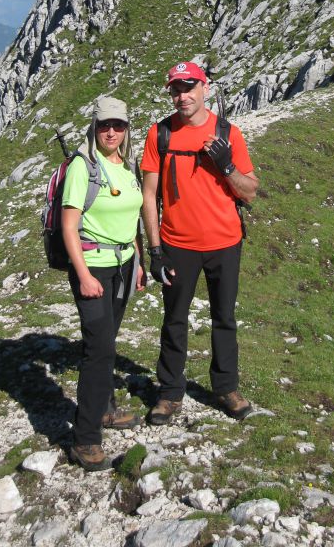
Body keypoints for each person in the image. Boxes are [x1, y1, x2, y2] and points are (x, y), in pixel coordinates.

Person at [141, 61, 259, 425]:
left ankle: (226, 388)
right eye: (176, 89)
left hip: (225, 242)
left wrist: (226, 166)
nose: (183, 96)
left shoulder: (229, 134)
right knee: (174, 319)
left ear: (205, 88)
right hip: (178, 244)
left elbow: (251, 191)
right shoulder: (159, 134)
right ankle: (169, 392)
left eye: (189, 87)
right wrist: (155, 250)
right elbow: (148, 195)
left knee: (224, 317)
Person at [62, 95, 145, 471]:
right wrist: (82, 275)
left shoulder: (126, 168)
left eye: (118, 125)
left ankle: (106, 409)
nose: (111, 132)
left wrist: (139, 262)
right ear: (93, 128)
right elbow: (68, 225)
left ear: (127, 129)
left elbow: (133, 220)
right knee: (98, 350)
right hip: (93, 268)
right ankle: (85, 438)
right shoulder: (84, 166)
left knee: (107, 343)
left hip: (124, 264)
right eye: (104, 125)